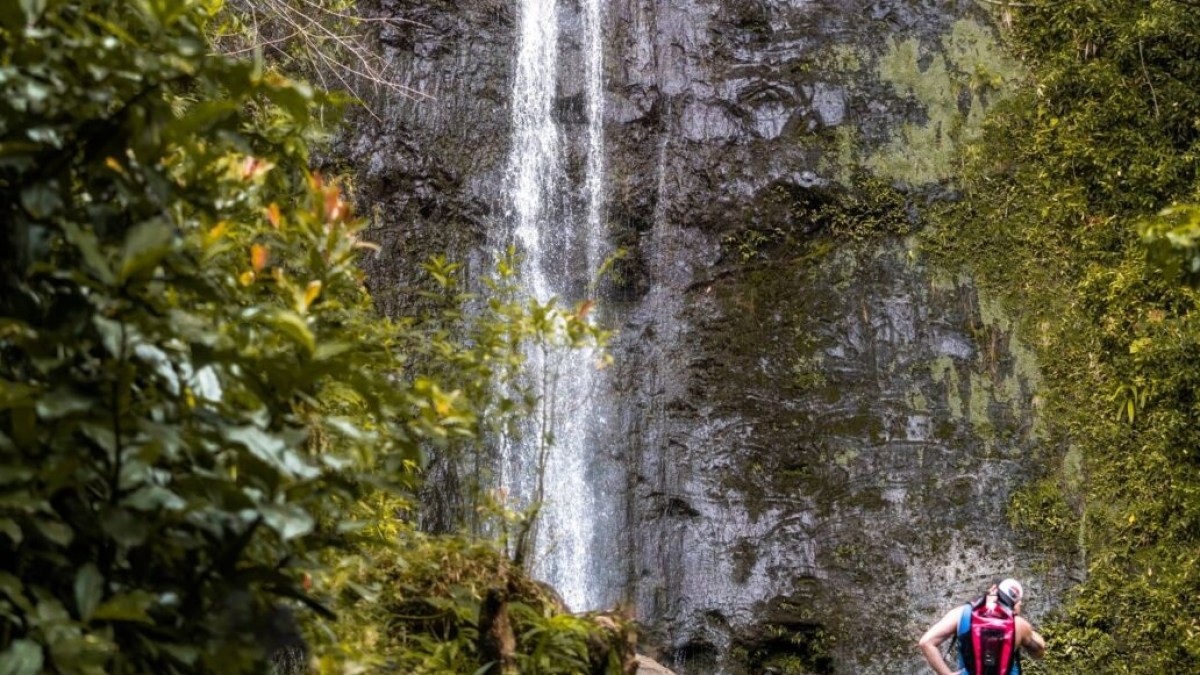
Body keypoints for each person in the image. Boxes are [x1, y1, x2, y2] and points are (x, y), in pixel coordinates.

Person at [918, 578, 1046, 675]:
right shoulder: (1019, 625)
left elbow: (926, 642)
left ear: (993, 590)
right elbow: (1039, 652)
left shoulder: (961, 613)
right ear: (1016, 603)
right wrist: (1017, 616)